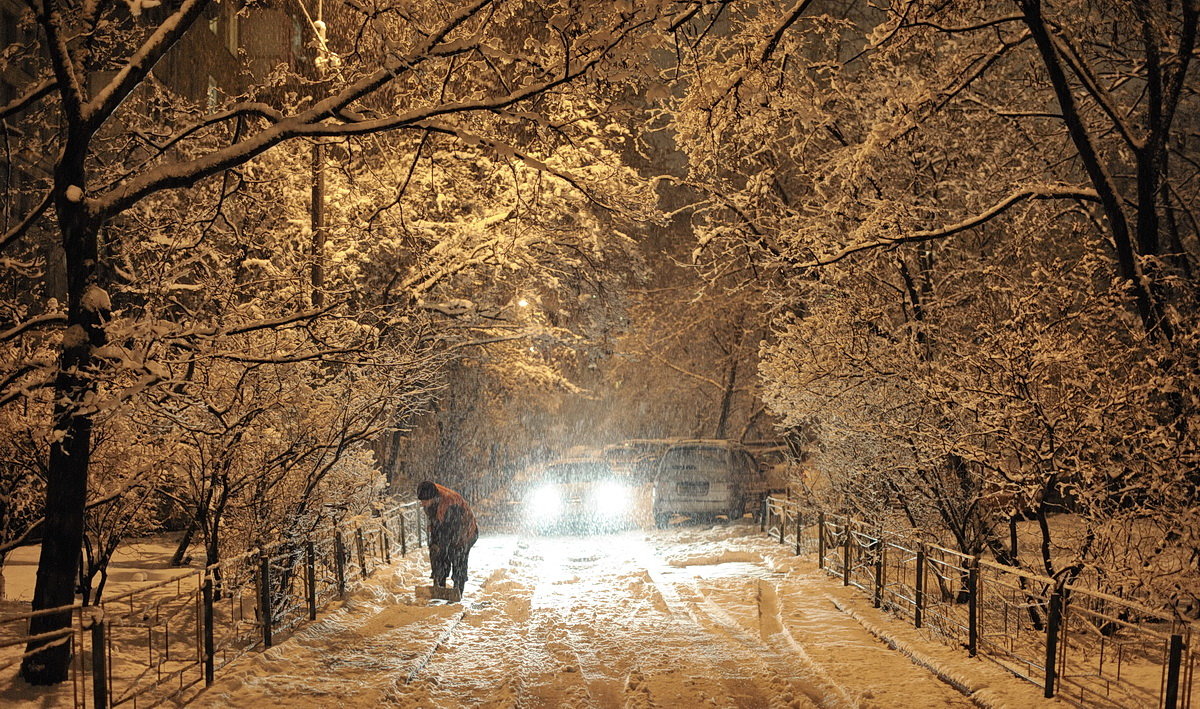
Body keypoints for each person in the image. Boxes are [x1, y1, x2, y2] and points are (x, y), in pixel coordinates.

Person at [417, 481, 479, 596]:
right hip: (447, 528)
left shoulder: (451, 504)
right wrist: (435, 545)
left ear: (432, 497)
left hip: (465, 533)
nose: (423, 504)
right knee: (437, 553)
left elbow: (451, 532)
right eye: (422, 501)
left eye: (425, 501)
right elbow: (436, 524)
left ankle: (458, 589)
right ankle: (439, 585)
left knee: (458, 557)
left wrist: (443, 547)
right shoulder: (430, 499)